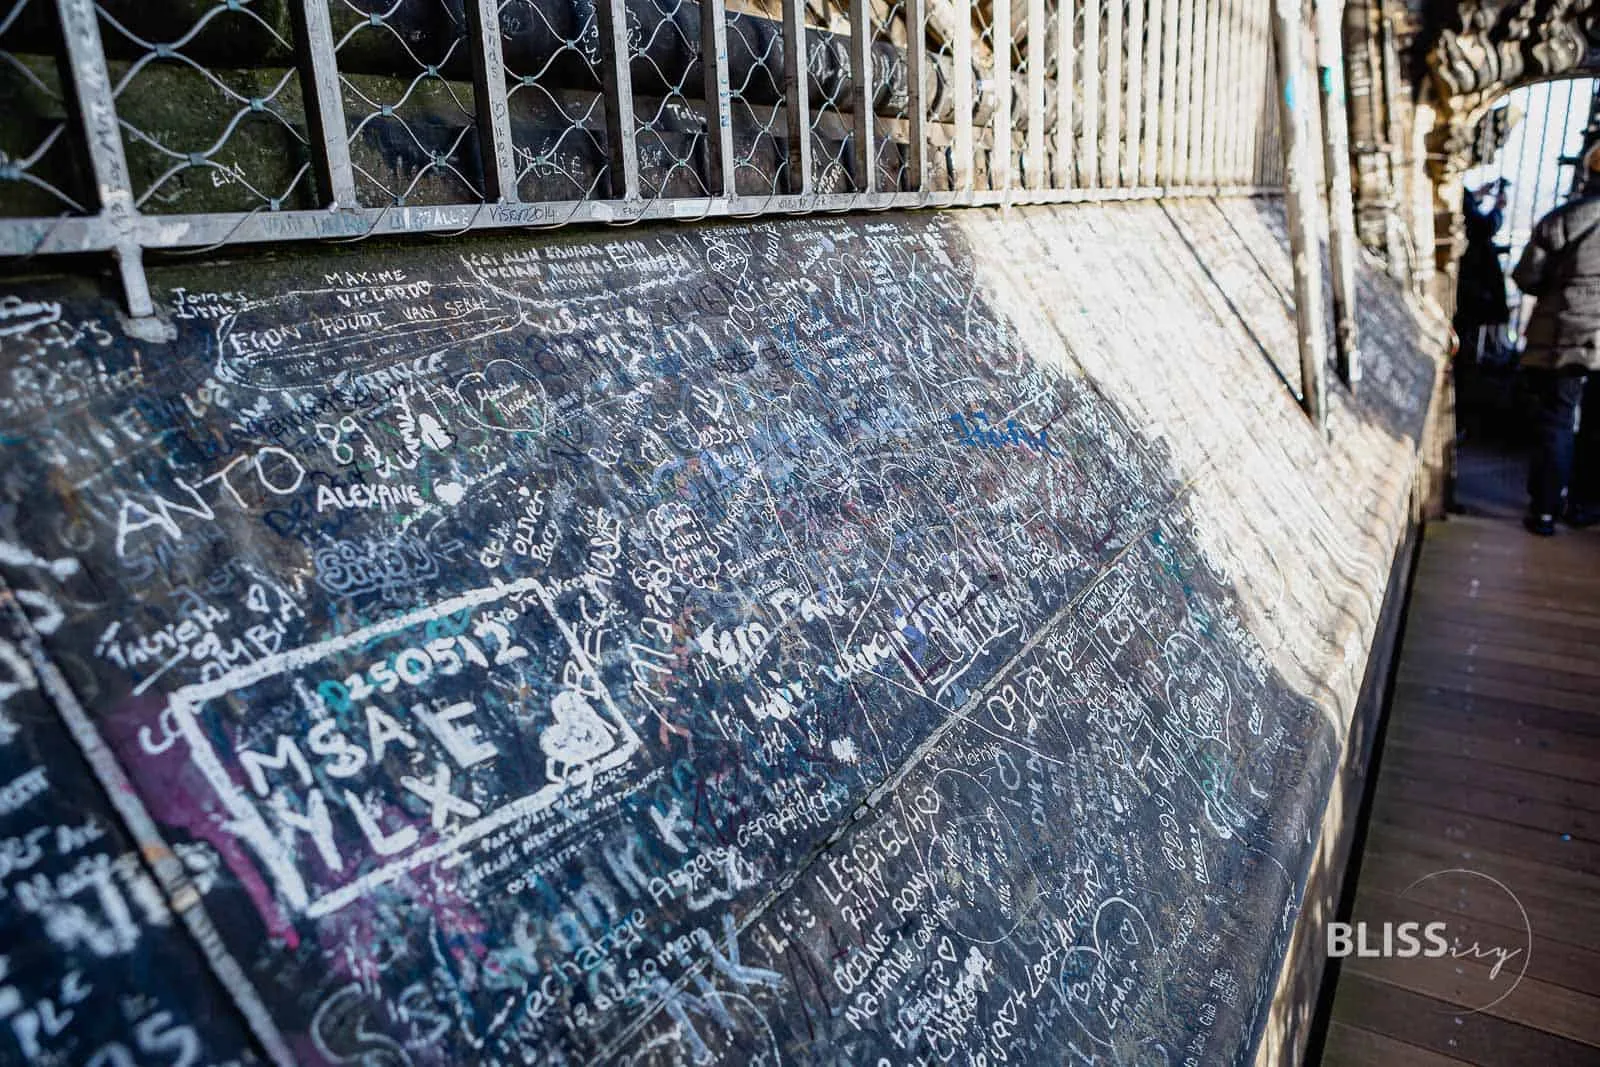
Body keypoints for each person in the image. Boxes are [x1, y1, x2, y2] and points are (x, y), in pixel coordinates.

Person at [1511, 144, 1600, 535]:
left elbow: (1526, 276)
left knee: (1557, 420)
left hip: (1566, 336)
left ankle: (1545, 511)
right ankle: (1586, 506)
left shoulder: (1564, 219)